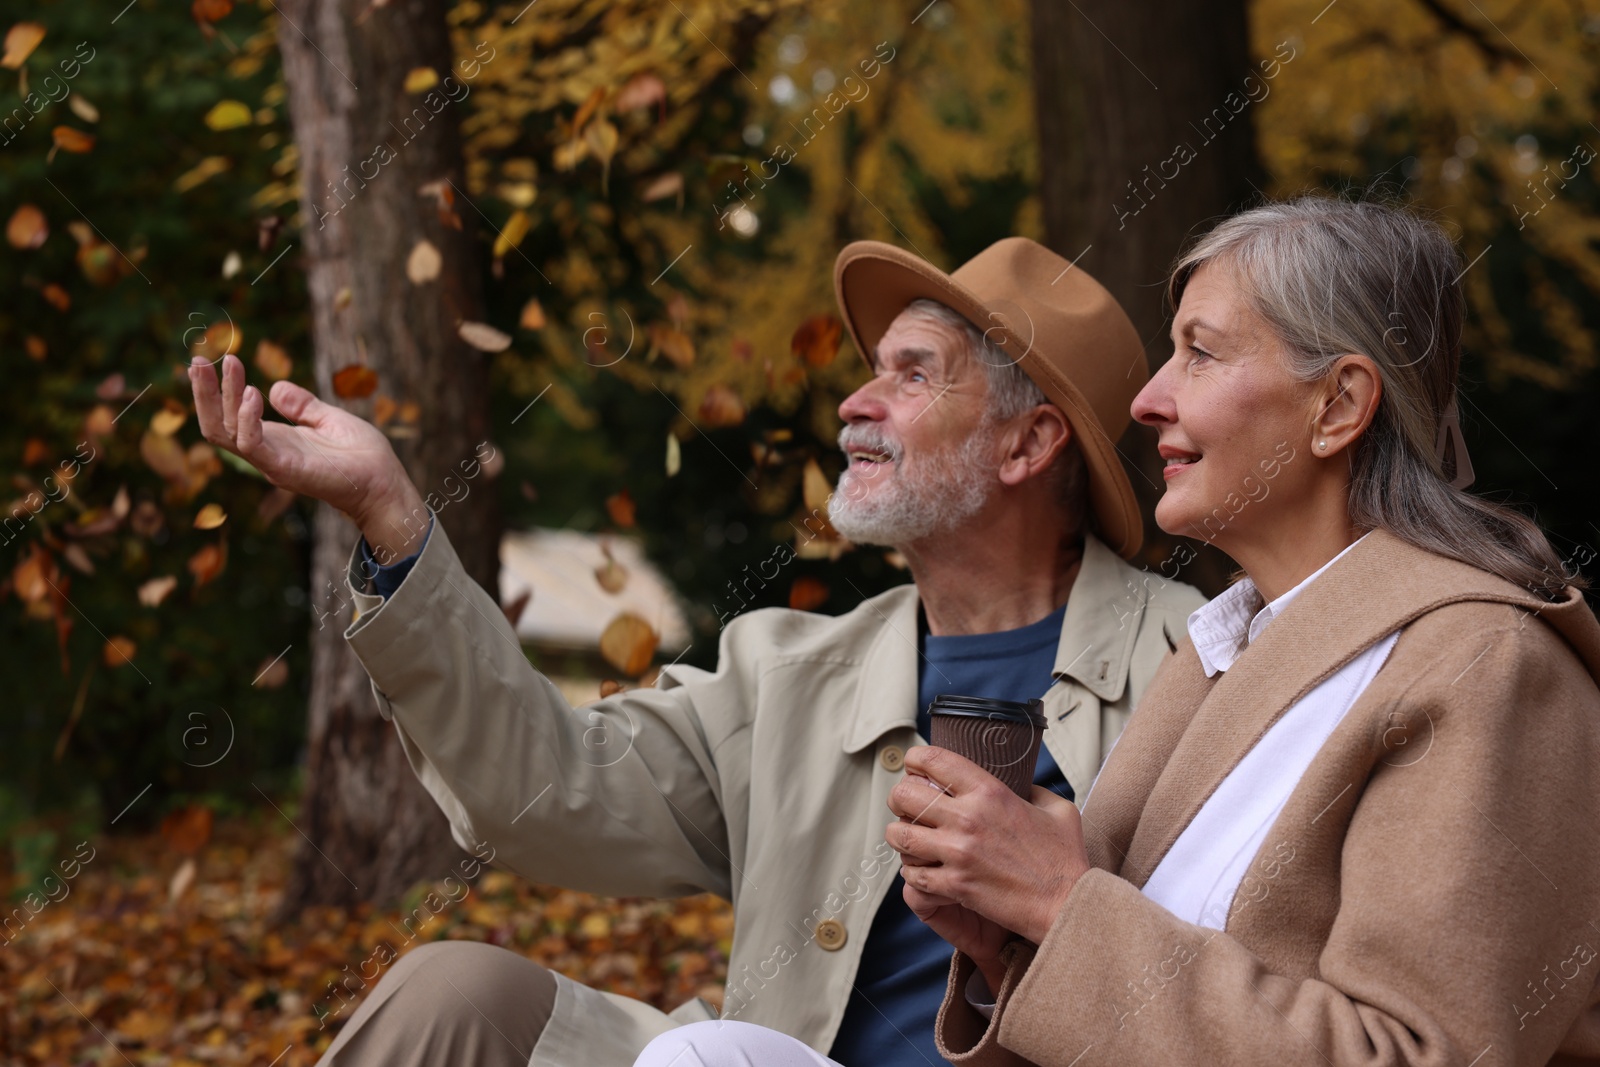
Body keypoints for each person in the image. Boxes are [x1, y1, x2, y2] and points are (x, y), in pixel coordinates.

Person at [187, 236, 1205, 1066]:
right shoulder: (788, 671)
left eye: (912, 372)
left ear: (1026, 445)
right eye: (868, 369)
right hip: (751, 1059)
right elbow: (544, 789)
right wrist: (393, 515)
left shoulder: (1200, 663)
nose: (854, 400)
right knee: (455, 991)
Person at [633, 195, 1600, 1067]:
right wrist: (1003, 937)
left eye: (1202, 353)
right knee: (707, 1054)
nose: (1147, 400)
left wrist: (1060, 903)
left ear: (1338, 405)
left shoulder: (1484, 667)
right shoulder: (1226, 648)